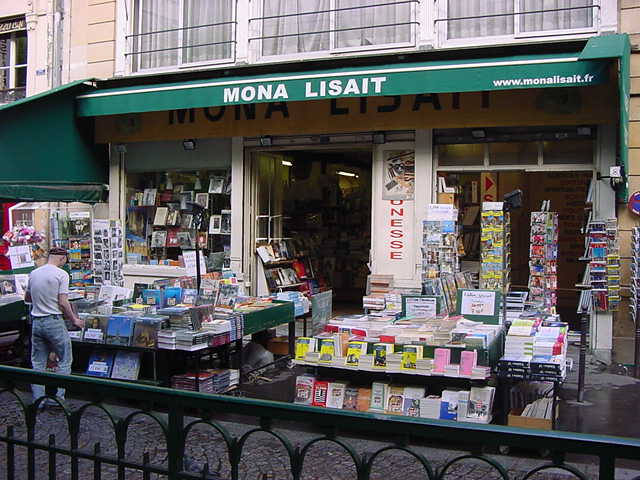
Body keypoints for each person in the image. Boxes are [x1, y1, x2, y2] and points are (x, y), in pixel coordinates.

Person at [24, 247, 84, 406]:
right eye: (65, 260)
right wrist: (74, 320)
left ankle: (38, 400)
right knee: (65, 359)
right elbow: (63, 302)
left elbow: (28, 298)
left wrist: (42, 300)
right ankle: (59, 399)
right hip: (54, 321)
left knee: (38, 363)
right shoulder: (61, 274)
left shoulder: (34, 273)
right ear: (62, 258)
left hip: (37, 322)